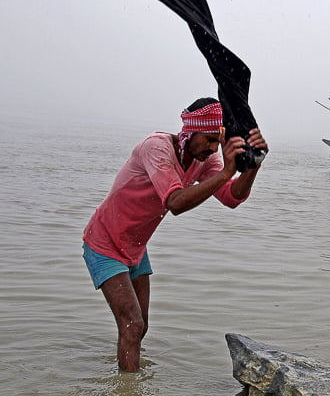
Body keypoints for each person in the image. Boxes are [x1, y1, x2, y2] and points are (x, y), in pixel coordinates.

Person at [83, 98, 269, 372]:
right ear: (190, 132)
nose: (212, 148)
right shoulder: (156, 148)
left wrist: (253, 166)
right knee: (132, 324)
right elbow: (175, 202)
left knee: (139, 326)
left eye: (217, 143)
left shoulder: (204, 160)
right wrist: (229, 170)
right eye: (208, 140)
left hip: (136, 246)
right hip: (104, 242)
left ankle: (126, 378)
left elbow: (232, 197)